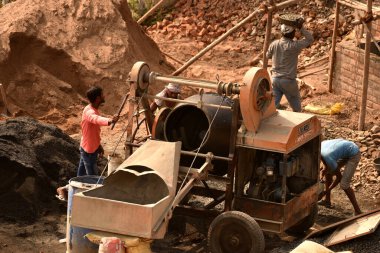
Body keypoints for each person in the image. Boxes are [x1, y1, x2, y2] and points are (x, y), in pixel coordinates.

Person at [56, 86, 118, 201]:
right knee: (92, 180)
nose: (104, 96)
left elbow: (92, 132)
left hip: (88, 148)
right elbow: (96, 119)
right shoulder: (89, 112)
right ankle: (90, 201)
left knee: (80, 176)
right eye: (102, 94)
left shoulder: (92, 109)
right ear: (98, 98)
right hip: (88, 151)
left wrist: (98, 145)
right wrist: (110, 120)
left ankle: (64, 189)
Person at [266, 19, 313, 112]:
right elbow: (310, 39)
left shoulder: (274, 44)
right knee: (296, 108)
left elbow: (268, 55)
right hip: (288, 81)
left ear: (282, 33)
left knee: (272, 107)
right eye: (294, 31)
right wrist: (301, 28)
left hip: (275, 80)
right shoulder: (294, 46)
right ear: (292, 34)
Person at [318, 139, 362, 215]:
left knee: (344, 184)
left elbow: (339, 178)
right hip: (345, 149)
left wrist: (326, 191)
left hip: (354, 154)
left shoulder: (327, 157)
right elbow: (325, 164)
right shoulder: (319, 148)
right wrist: (323, 171)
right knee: (328, 174)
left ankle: (358, 211)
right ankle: (327, 201)